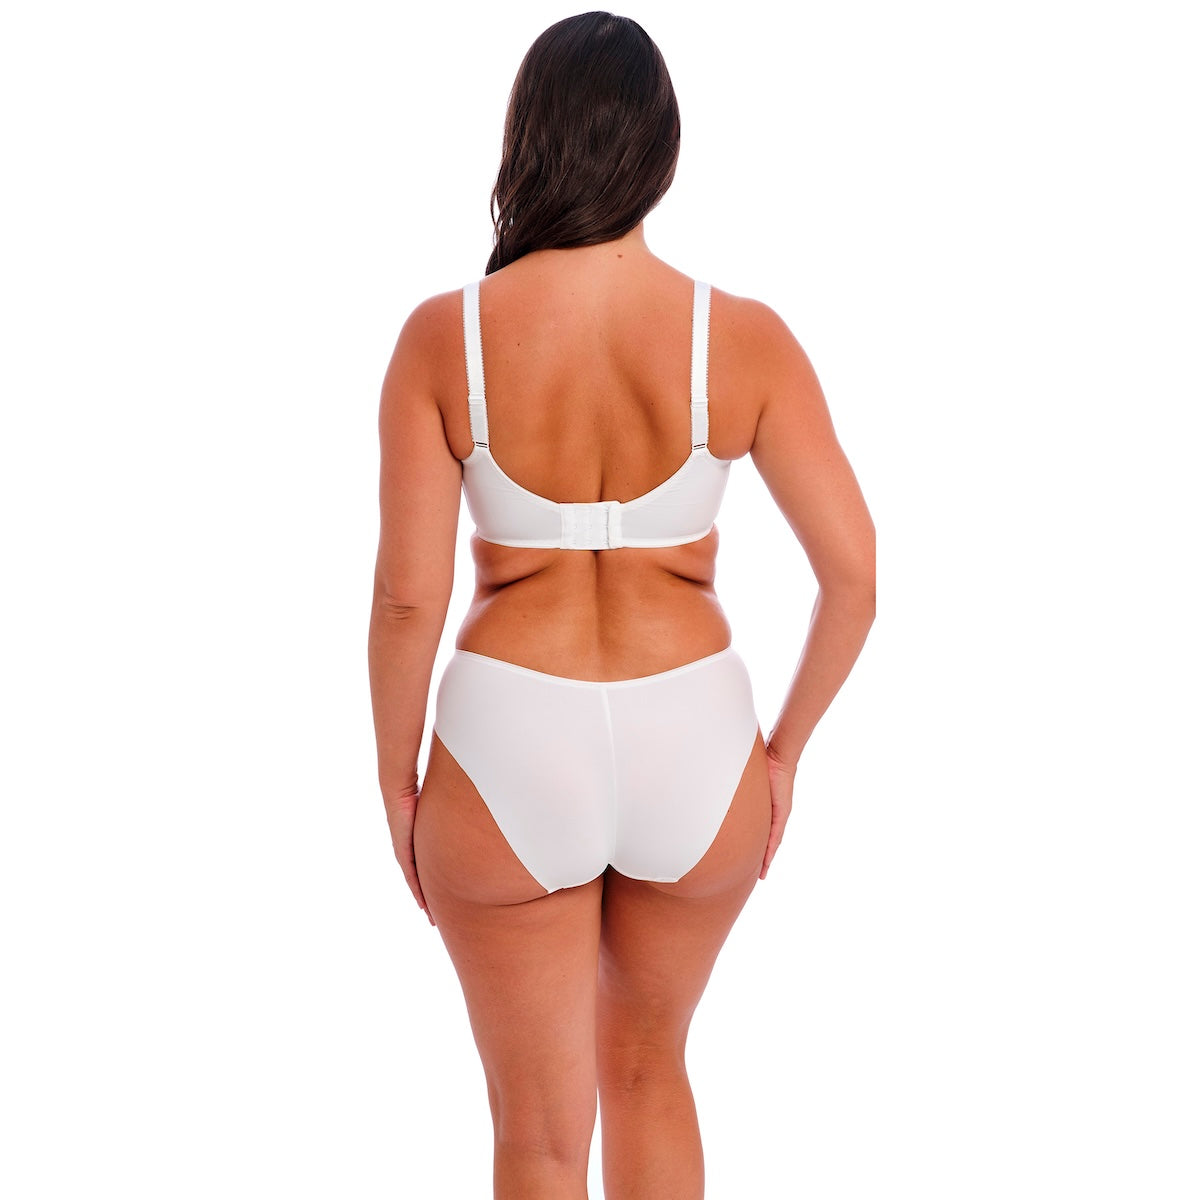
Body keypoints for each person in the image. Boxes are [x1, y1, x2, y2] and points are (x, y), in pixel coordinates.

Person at [367, 11, 875, 1198]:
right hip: (694, 734)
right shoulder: (741, 339)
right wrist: (784, 755)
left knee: (539, 1136)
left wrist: (399, 783)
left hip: (510, 738)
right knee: (650, 1066)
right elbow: (854, 576)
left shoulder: (445, 339)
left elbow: (407, 600)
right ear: (661, 149)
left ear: (526, 139)